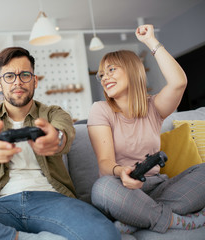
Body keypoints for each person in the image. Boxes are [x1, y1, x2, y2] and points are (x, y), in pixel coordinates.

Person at [0, 47, 120, 240]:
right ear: (0, 84)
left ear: (34, 81)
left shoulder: (53, 113)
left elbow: (63, 134)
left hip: (53, 201)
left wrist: (56, 140)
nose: (17, 82)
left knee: (106, 234)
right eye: (9, 76)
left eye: (24, 75)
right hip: (0, 206)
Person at [88, 24, 205, 234]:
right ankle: (175, 220)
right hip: (123, 189)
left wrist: (150, 41)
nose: (104, 78)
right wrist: (121, 172)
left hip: (158, 188)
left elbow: (179, 82)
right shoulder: (100, 110)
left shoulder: (153, 107)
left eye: (111, 69)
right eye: (102, 75)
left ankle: (137, 219)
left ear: (132, 71)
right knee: (102, 188)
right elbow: (105, 164)